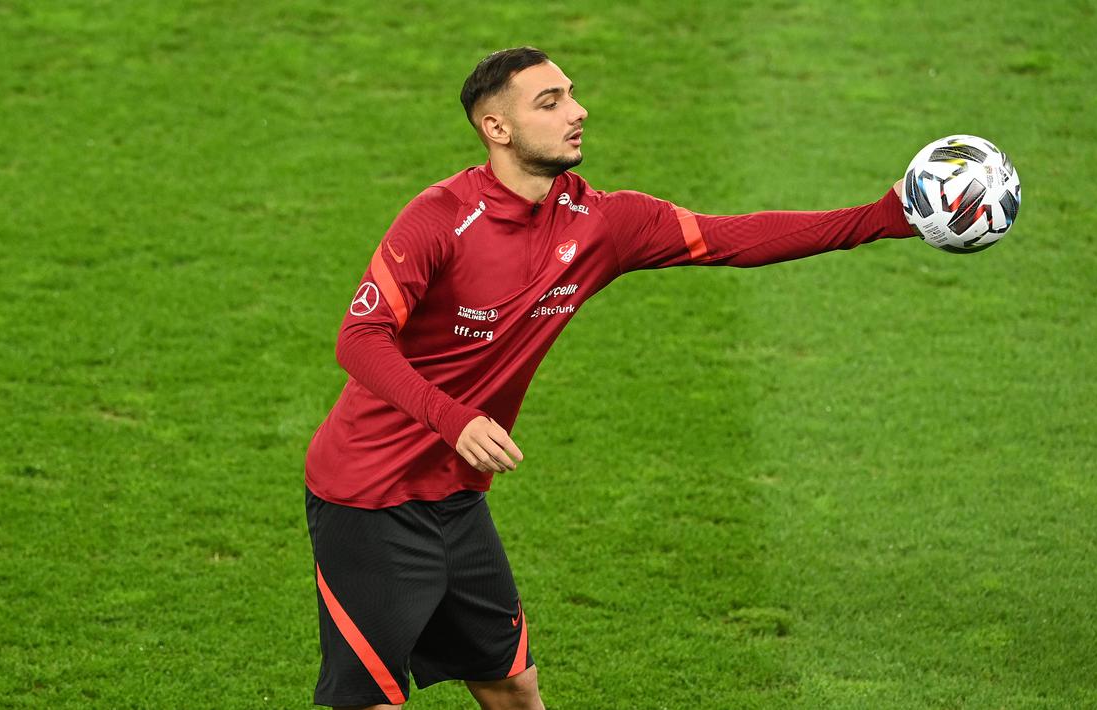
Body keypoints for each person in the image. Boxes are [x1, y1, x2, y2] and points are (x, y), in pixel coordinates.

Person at [305, 46, 914, 709]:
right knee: (371, 700)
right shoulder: (441, 217)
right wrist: (454, 419)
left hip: (456, 495)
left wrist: (884, 217)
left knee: (511, 683)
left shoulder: (601, 222)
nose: (578, 111)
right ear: (496, 128)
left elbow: (733, 238)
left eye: (571, 93)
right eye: (550, 102)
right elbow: (359, 338)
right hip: (367, 494)